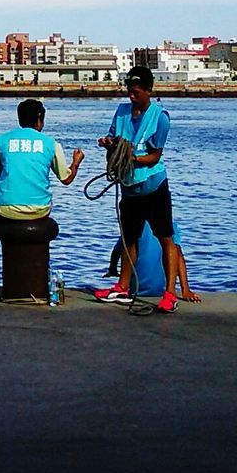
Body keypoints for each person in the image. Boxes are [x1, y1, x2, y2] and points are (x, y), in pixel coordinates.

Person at [0, 98, 85, 296]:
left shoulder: (2, 140)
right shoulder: (51, 144)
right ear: (40, 119)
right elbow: (67, 179)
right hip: (39, 208)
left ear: (19, 119)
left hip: (4, 207)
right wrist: (76, 162)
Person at [93, 66, 181, 314]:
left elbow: (154, 156)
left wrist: (132, 156)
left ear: (148, 90)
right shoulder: (121, 112)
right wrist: (109, 144)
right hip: (129, 188)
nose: (132, 97)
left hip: (153, 187)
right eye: (129, 92)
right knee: (128, 238)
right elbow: (112, 138)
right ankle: (122, 287)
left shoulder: (160, 117)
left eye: (137, 93)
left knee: (166, 237)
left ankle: (170, 293)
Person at [107, 221, 200, 302]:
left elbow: (117, 252)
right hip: (161, 291)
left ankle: (122, 289)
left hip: (136, 290)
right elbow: (178, 255)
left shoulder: (134, 225)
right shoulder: (170, 225)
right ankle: (170, 294)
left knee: (128, 246)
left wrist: (112, 269)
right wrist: (185, 290)